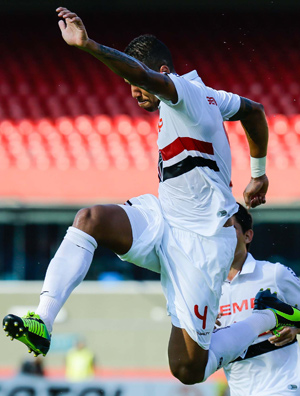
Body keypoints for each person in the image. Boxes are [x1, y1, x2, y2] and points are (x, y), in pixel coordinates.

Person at [3, 7, 300, 385]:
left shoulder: (183, 93)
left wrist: (88, 45)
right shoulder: (209, 95)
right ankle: (42, 320)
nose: (134, 91)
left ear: (162, 74)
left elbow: (142, 74)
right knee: (90, 220)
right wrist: (258, 175)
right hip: (164, 220)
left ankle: (269, 316)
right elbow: (254, 111)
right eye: (130, 86)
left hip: (202, 242)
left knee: (186, 369)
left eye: (138, 83)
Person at [217, 203, 300, 396]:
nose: (223, 235)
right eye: (218, 229)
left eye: (230, 227)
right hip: (240, 391)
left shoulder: (274, 273)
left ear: (248, 236)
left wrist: (295, 328)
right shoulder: (207, 289)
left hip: (284, 387)